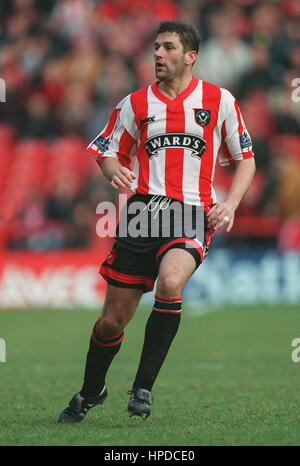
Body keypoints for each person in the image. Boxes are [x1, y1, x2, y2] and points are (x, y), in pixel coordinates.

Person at [58, 21, 256, 423]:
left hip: (193, 213)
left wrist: (231, 203)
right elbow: (106, 150)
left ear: (190, 56)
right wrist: (112, 170)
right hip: (141, 215)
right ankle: (92, 391)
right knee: (112, 320)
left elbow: (246, 160)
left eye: (167, 48)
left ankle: (143, 388)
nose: (158, 55)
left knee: (169, 283)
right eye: (156, 48)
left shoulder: (219, 100)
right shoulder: (135, 104)